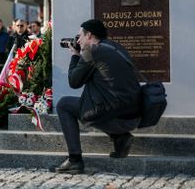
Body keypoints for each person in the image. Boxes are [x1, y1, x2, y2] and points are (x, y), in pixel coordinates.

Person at [51, 19, 141, 174]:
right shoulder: (116, 47)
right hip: (135, 115)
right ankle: (120, 137)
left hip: (118, 117)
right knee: (92, 103)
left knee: (64, 105)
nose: (77, 40)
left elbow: (74, 82)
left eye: (80, 36)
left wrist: (75, 56)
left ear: (90, 35)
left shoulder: (92, 52)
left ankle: (75, 160)